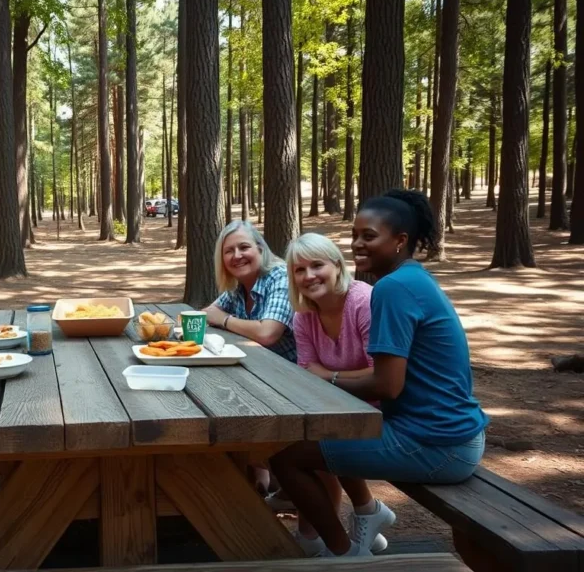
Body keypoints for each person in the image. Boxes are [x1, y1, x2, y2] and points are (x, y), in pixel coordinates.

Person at [269, 190, 489, 558]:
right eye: (355, 235)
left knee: (286, 458)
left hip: (441, 444)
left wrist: (329, 377)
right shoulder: (410, 279)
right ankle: (364, 520)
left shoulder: (391, 288)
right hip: (442, 433)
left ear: (401, 240)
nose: (357, 244)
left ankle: (344, 555)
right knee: (326, 433)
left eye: (369, 236)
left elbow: (387, 384)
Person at [282, 232, 391, 556]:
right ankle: (367, 513)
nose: (309, 275)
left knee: (296, 452)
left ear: (337, 266)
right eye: (299, 270)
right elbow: (305, 367)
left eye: (317, 265)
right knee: (299, 439)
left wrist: (329, 375)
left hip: (384, 412)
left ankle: (340, 549)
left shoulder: (362, 301)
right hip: (341, 406)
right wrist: (329, 378)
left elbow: (381, 373)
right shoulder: (304, 315)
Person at [203, 219, 297, 363]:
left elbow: (267, 333)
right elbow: (209, 313)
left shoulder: (280, 277)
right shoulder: (237, 287)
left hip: (292, 373)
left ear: (260, 249)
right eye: (229, 251)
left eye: (244, 247)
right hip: (258, 366)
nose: (237, 255)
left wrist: (224, 319)